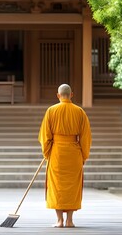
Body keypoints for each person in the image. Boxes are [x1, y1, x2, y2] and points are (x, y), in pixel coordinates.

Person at [38, 84, 92, 228]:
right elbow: (86, 138)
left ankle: (59, 220)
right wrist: (83, 155)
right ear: (71, 95)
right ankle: (70, 220)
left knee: (57, 186)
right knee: (72, 187)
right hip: (74, 153)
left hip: (57, 153)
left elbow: (45, 136)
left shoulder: (51, 111)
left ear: (58, 95)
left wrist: (47, 151)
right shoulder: (80, 112)